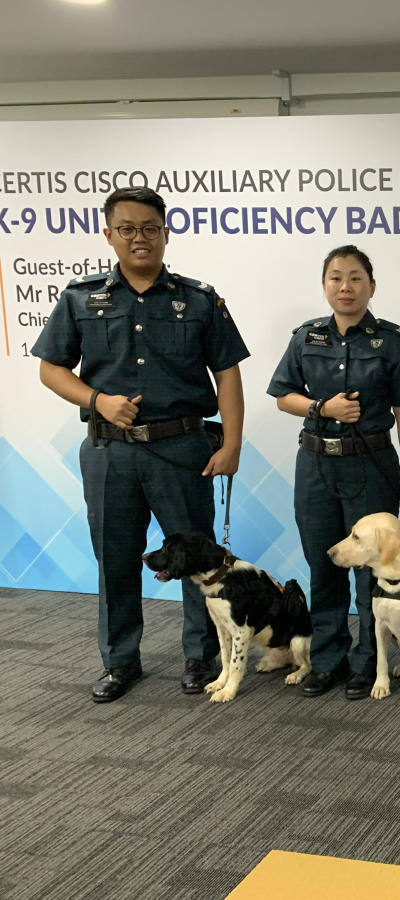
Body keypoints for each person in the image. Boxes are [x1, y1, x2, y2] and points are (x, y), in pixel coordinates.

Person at [32, 186, 248, 702]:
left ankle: (201, 656)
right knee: (116, 557)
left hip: (183, 448)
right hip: (111, 452)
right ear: (109, 235)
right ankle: (120, 661)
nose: (139, 238)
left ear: (166, 233)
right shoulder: (81, 298)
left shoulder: (199, 299)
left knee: (199, 557)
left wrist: (234, 441)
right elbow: (50, 369)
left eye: (149, 228)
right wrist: (97, 399)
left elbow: (228, 375)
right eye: (126, 229)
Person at [268, 245, 400, 700]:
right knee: (324, 564)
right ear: (324, 286)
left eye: (355, 278)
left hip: (371, 463)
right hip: (316, 464)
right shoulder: (306, 337)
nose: (345, 286)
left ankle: (368, 661)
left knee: (369, 571)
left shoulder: (394, 340)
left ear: (371, 286)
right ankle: (327, 660)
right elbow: (283, 396)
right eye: (336, 277)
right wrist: (321, 406)